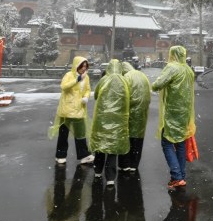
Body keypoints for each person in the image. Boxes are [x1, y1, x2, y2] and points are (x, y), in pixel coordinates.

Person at [152, 45, 196, 190]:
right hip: (185, 113)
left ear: (173, 55)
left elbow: (157, 84)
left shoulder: (172, 68)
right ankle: (181, 176)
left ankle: (176, 176)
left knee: (167, 142)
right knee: (181, 143)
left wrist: (155, 84)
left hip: (172, 112)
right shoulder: (188, 70)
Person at [90, 59, 131, 187]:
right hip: (118, 119)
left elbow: (96, 95)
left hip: (103, 118)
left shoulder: (104, 80)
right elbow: (129, 97)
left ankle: (97, 171)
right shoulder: (124, 81)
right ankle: (110, 178)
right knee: (113, 147)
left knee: (101, 145)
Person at [51, 56, 94, 165]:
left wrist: (86, 97)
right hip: (66, 110)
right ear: (76, 65)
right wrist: (77, 80)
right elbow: (64, 87)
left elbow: (88, 89)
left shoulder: (86, 77)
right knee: (63, 134)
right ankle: (60, 155)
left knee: (80, 134)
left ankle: (84, 155)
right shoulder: (69, 75)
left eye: (85, 66)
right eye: (82, 66)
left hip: (79, 109)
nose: (84, 68)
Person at [119, 61, 152, 172]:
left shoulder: (126, 77)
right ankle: (134, 164)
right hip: (142, 112)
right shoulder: (143, 76)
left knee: (126, 137)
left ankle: (125, 164)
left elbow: (123, 95)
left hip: (130, 111)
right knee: (138, 138)